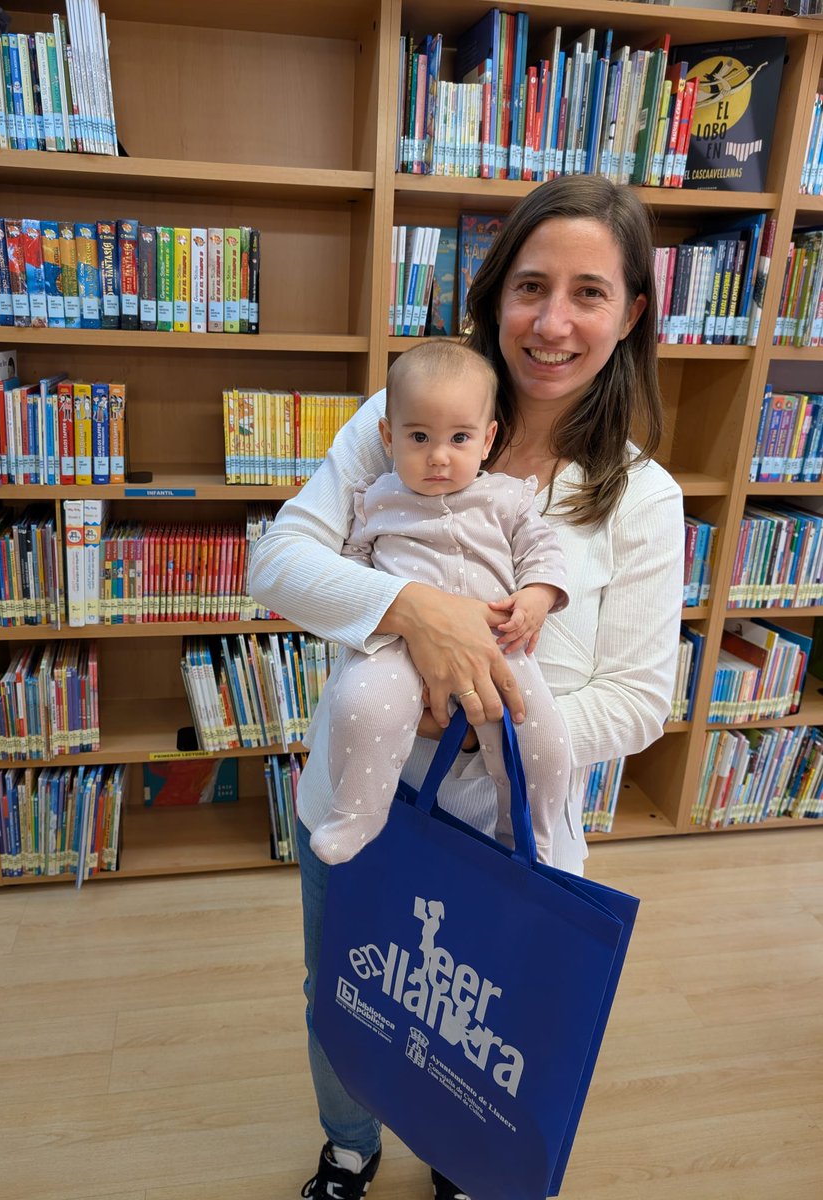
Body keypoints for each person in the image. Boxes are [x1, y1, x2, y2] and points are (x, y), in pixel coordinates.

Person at [249, 175, 685, 1200]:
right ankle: (348, 1146)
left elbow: (637, 700)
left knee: (473, 1022)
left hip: (507, 836)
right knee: (347, 991)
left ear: (629, 316)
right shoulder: (404, 415)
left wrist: (484, 708)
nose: (551, 320)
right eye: (530, 286)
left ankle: (457, 1156)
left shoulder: (640, 496)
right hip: (362, 802)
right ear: (494, 297)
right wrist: (418, 613)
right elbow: (279, 563)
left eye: (588, 292)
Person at [311, 339, 570, 866]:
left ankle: (529, 838)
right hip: (396, 646)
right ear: (388, 436)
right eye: (419, 437)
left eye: (459, 438)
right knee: (358, 707)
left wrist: (540, 595)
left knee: (545, 740)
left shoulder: (507, 497)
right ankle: (356, 813)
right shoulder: (375, 497)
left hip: (500, 643)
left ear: (487, 437)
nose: (438, 455)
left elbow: (542, 548)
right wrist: (380, 607)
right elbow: (349, 565)